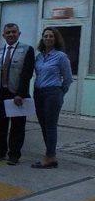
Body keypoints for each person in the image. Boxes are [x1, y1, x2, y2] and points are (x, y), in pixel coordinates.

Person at [0, 23, 35, 165]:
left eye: (13, 32)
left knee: (17, 126)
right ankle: (0, 152)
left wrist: (20, 93)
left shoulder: (27, 50)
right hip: (0, 93)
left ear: (19, 34)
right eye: (8, 32)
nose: (11, 34)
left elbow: (27, 74)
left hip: (16, 94)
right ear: (3, 35)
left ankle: (14, 155)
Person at [31, 27, 72, 169]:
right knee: (43, 125)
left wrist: (60, 93)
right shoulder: (39, 56)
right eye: (45, 36)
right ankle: (50, 155)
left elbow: (67, 78)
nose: (48, 38)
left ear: (56, 39)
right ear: (42, 38)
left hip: (52, 93)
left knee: (50, 126)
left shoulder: (61, 56)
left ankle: (50, 157)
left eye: (51, 36)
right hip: (39, 93)